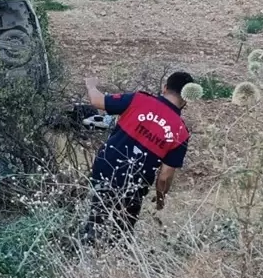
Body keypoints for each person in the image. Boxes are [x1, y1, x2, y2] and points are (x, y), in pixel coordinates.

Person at [80, 70, 195, 243]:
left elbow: (97, 101)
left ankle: (85, 251)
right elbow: (165, 176)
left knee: (97, 218)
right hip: (134, 183)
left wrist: (91, 85)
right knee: (123, 232)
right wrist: (160, 199)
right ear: (187, 98)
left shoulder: (139, 99)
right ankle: (116, 259)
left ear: (165, 88)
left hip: (106, 167)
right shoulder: (181, 132)